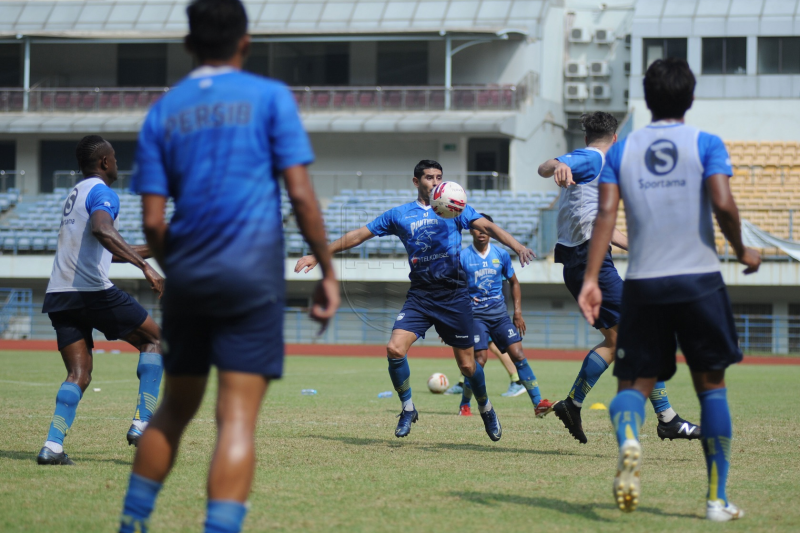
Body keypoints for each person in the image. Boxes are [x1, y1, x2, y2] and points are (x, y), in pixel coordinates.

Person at [118, 2, 339, 532]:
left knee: (173, 410)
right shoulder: (270, 98)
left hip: (190, 275)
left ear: (188, 45)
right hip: (252, 275)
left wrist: (179, 272)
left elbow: (152, 223)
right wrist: (328, 273)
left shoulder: (164, 110)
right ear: (246, 42)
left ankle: (132, 525)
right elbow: (303, 197)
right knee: (235, 419)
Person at [578, 58, 760, 521]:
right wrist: (743, 250)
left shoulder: (623, 151)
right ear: (690, 97)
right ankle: (717, 501)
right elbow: (722, 202)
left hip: (643, 284)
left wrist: (590, 278)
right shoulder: (706, 143)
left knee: (632, 384)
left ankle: (631, 441)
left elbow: (604, 217)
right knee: (712, 390)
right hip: (699, 280)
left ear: (646, 96)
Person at [296, 160, 535, 441]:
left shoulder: (455, 207)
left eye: (439, 177)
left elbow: (487, 226)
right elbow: (358, 235)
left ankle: (486, 407)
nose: (435, 182)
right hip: (421, 296)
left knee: (469, 367)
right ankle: (408, 408)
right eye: (429, 177)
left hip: (454, 297)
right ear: (416, 181)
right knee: (394, 349)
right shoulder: (399, 215)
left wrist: (517, 246)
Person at [537, 112, 700, 444]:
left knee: (617, 341)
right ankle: (666, 418)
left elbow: (604, 227)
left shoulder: (596, 170)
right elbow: (545, 167)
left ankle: (573, 404)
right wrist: (558, 166)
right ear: (615, 139)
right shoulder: (593, 158)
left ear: (587, 136)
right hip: (587, 261)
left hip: (582, 261)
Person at [36, 136, 164, 466]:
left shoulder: (75, 193)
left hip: (60, 294)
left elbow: (106, 246)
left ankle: (52, 446)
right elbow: (103, 231)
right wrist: (147, 268)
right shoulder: (103, 192)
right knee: (155, 340)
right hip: (91, 292)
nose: (118, 164)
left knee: (78, 374)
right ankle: (142, 424)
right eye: (116, 158)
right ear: (105, 163)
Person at [455, 213, 552, 417]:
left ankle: (538, 403)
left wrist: (517, 312)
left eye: (485, 228)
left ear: (491, 229)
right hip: (475, 318)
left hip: (500, 317)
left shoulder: (501, 255)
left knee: (518, 355)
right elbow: (454, 290)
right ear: (470, 230)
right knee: (479, 360)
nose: (481, 232)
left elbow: (514, 282)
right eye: (477, 228)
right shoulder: (463, 257)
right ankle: (466, 403)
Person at [445, 341, 528, 398]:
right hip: (476, 316)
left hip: (481, 316)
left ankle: (517, 381)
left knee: (492, 344)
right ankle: (462, 383)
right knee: (470, 343)